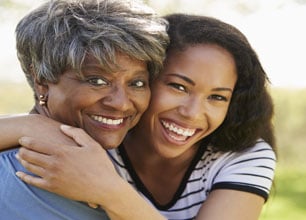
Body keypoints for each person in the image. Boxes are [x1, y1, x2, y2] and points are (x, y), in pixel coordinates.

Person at [0, 13, 277, 220]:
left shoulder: (244, 157)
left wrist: (109, 191)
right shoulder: (104, 134)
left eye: (217, 97)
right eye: (178, 87)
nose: (192, 113)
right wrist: (31, 124)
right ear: (149, 79)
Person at [0, 0, 169, 219]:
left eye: (136, 83)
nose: (121, 103)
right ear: (42, 81)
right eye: (97, 81)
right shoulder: (16, 175)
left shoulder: (132, 160)